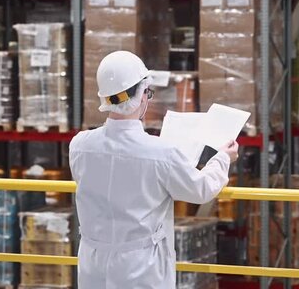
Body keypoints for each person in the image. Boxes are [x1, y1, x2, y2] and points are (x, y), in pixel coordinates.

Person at [69, 51, 238, 288]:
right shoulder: (160, 153)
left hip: (92, 265)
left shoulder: (80, 146)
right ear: (142, 96)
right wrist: (222, 159)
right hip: (140, 269)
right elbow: (200, 189)